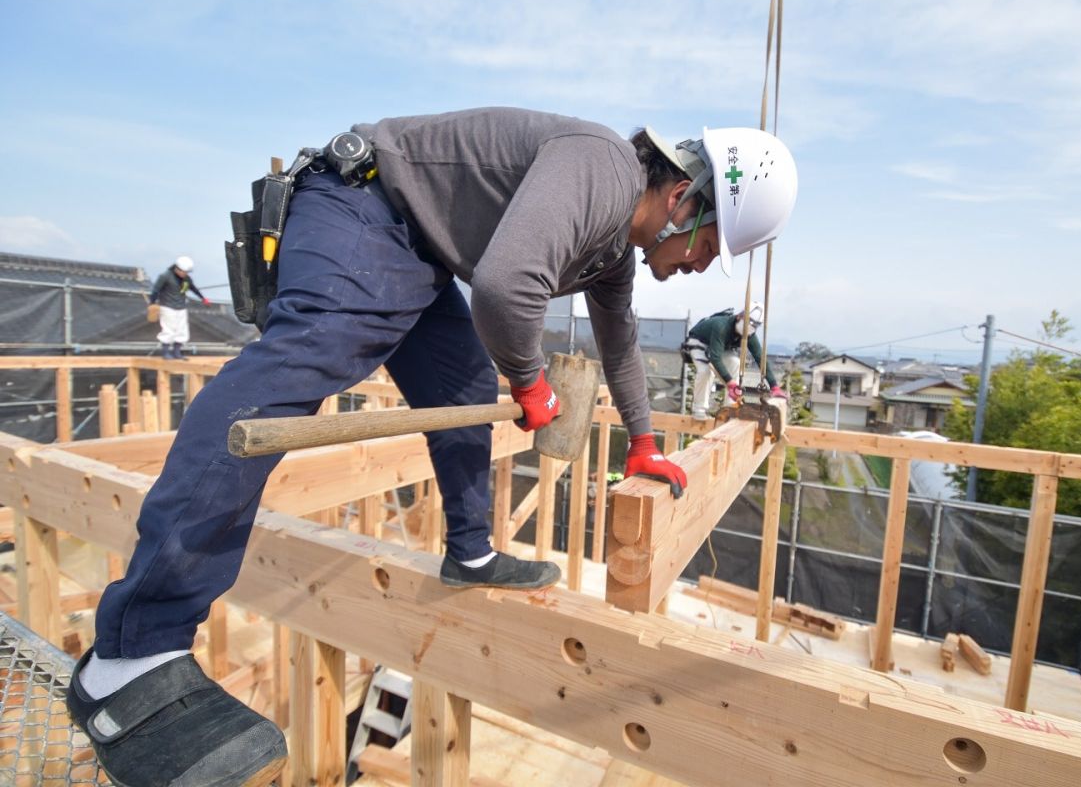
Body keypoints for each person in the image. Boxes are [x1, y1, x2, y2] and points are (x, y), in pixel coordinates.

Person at [67, 108, 798, 786]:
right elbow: (506, 288)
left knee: (460, 390)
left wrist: (642, 441)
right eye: (709, 246)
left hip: (416, 249)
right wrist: (532, 381)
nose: (703, 265)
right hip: (362, 208)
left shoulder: (613, 250)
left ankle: (470, 551)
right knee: (306, 359)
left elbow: (620, 339)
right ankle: (132, 652)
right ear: (682, 199)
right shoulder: (604, 167)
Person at [683, 302, 787, 420]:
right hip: (699, 341)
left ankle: (730, 408)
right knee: (705, 371)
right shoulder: (721, 326)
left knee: (735, 363)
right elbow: (715, 358)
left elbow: (760, 358)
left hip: (720, 346)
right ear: (739, 316)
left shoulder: (750, 334)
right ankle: (699, 409)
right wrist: (730, 383)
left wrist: (774, 386)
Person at [149, 255, 210, 359]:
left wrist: (202, 298)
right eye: (183, 272)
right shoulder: (165, 276)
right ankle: (166, 352)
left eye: (186, 272)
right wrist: (152, 303)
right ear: (177, 268)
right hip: (167, 306)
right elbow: (155, 290)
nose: (185, 274)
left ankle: (177, 352)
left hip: (181, 307)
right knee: (168, 329)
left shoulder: (186, 278)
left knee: (182, 330)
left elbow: (193, 288)